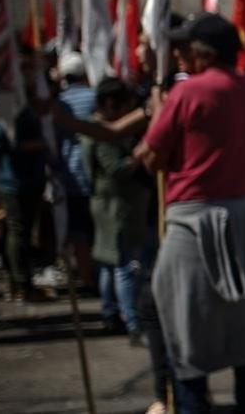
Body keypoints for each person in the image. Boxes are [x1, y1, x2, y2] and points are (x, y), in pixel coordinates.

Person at [135, 13, 245, 413]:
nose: (177, 54)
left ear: (201, 52)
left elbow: (150, 156)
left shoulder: (190, 92)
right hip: (244, 218)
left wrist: (159, 114)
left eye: (183, 47)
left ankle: (188, 403)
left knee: (178, 321)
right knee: (244, 329)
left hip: (194, 221)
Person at [82, 78, 153, 340]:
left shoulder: (98, 127)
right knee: (123, 266)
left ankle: (111, 312)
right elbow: (116, 169)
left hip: (115, 205)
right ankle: (131, 321)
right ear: (111, 104)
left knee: (111, 264)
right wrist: (140, 153)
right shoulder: (100, 131)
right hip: (115, 207)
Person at [0, 52, 49, 302]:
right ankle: (19, 283)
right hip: (13, 180)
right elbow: (1, 140)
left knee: (26, 231)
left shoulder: (35, 99)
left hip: (34, 178)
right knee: (17, 231)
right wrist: (36, 145)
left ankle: (24, 280)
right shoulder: (6, 99)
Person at [55, 51, 97, 286]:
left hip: (71, 177)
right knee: (95, 231)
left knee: (80, 233)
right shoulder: (94, 97)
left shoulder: (60, 103)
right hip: (94, 175)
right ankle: (97, 276)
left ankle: (87, 277)